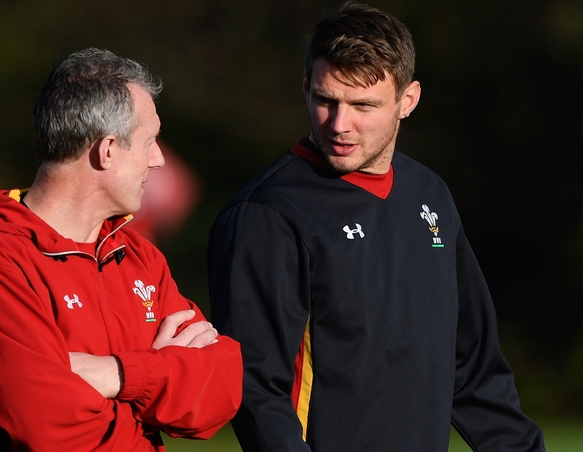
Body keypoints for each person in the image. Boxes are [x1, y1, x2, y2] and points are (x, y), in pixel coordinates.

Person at [208, 3, 545, 451]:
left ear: (408, 101)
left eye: (363, 105)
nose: (340, 124)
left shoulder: (430, 194)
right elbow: (256, 388)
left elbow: (472, 366)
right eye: (326, 100)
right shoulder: (267, 214)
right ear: (306, 86)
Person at [0, 48, 242, 451]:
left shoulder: (138, 255)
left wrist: (117, 375)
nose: (160, 159)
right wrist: (160, 375)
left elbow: (220, 387)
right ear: (107, 150)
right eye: (149, 142)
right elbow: (55, 433)